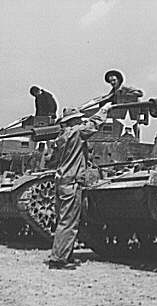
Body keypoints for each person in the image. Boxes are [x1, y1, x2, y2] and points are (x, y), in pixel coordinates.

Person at [47, 102, 112, 270]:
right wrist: (104, 110)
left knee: (63, 221)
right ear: (72, 121)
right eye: (77, 120)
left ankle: (62, 255)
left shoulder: (60, 138)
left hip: (61, 182)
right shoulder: (75, 133)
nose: (79, 122)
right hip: (72, 183)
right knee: (68, 222)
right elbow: (93, 125)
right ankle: (59, 260)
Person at [99, 70, 144, 138]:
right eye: (110, 81)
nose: (112, 82)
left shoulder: (125, 88)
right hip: (117, 119)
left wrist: (126, 96)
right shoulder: (112, 92)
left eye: (114, 80)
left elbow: (140, 93)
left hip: (131, 115)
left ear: (119, 80)